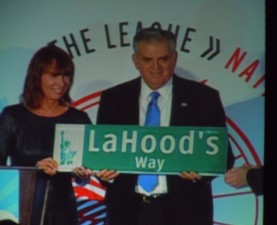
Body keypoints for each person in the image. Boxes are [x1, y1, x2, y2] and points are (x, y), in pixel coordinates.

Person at [74, 27, 234, 225]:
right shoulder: (114, 99)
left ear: (174, 58)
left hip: (186, 212)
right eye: (148, 59)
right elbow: (105, 155)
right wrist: (106, 175)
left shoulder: (204, 98)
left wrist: (201, 174)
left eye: (164, 59)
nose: (156, 66)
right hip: (127, 212)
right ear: (136, 61)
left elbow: (224, 157)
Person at [0, 45, 92, 225]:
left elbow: (87, 175)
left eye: (66, 76)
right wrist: (33, 170)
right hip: (18, 213)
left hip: (63, 214)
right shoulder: (12, 116)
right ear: (37, 76)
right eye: (54, 75)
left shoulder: (79, 119)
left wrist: (83, 174)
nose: (62, 83)